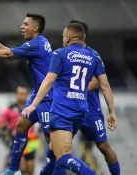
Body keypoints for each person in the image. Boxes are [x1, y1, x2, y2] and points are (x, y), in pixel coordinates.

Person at [22, 23, 117, 174]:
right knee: (53, 149)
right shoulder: (93, 56)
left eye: (62, 36)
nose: (62, 39)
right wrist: (112, 112)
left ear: (67, 37)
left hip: (62, 111)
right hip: (81, 110)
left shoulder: (60, 54)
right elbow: (105, 86)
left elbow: (49, 80)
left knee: (63, 156)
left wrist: (34, 104)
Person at [0, 13, 53, 175]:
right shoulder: (37, 43)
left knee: (52, 141)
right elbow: (12, 55)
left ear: (35, 28)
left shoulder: (36, 43)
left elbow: (9, 55)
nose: (22, 26)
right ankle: (13, 169)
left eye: (26, 24)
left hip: (48, 97)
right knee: (21, 126)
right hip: (38, 95)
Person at [70, 20, 121, 175]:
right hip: (69, 109)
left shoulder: (93, 55)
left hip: (90, 109)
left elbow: (99, 82)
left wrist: (112, 111)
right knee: (57, 148)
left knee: (103, 146)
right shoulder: (65, 54)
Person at [0, 86, 40, 175]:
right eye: (20, 94)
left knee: (30, 168)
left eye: (24, 94)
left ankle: (9, 165)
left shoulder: (31, 107)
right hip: (16, 138)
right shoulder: (10, 109)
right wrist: (7, 128)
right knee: (22, 167)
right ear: (16, 95)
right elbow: (0, 122)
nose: (22, 96)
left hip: (31, 140)